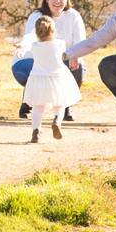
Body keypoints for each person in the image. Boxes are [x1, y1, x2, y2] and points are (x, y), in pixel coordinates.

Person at [11, 0, 87, 120]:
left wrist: (75, 56)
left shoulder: (73, 16)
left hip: (61, 61)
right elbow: (30, 35)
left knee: (79, 66)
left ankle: (65, 105)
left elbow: (80, 42)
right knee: (38, 68)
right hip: (30, 61)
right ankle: (28, 103)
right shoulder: (37, 16)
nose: (57, 1)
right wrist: (22, 46)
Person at [21, 15, 81, 143]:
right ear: (53, 31)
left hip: (38, 78)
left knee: (38, 107)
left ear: (37, 33)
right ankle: (56, 122)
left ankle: (36, 132)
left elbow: (29, 53)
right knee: (60, 104)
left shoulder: (34, 46)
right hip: (57, 78)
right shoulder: (60, 44)